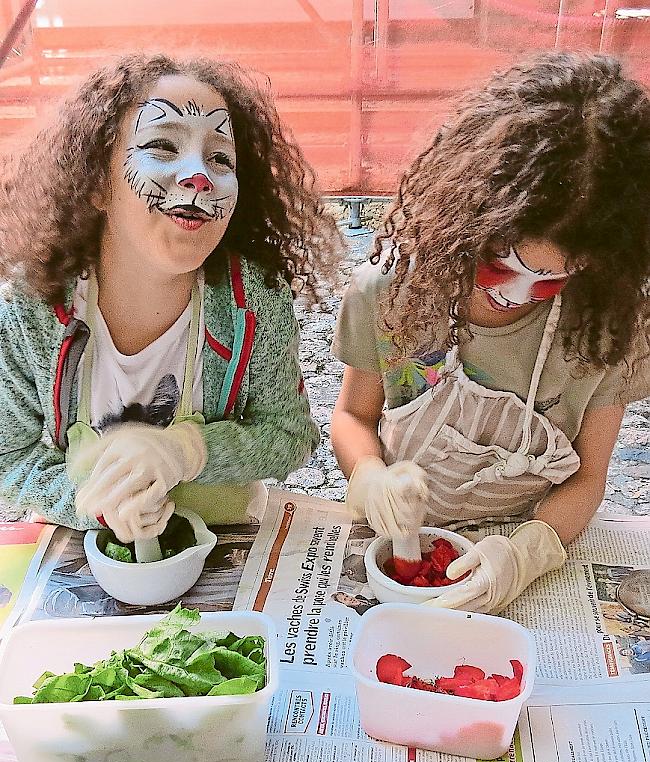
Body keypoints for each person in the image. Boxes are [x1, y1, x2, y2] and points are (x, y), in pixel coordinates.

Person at [331, 53, 650, 614]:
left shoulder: (611, 329)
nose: (514, 295)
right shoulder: (389, 293)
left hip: (527, 528)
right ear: (466, 220)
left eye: (549, 278)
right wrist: (370, 476)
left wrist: (526, 554)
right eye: (499, 264)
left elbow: (588, 479)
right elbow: (353, 417)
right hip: (402, 536)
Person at [0, 53, 338, 541]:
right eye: (162, 146)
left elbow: (289, 437)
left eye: (221, 158)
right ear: (97, 182)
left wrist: (187, 450)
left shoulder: (254, 302)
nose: (199, 177)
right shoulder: (30, 306)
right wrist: (85, 502)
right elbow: (10, 459)